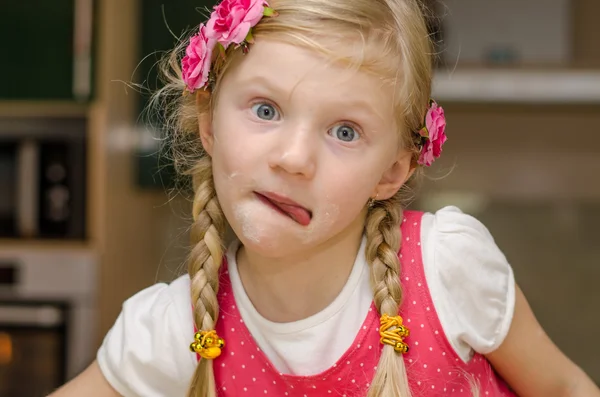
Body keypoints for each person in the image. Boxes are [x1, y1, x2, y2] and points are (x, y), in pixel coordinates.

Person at [51, 0, 600, 396]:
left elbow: (565, 386)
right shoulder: (173, 330)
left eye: (344, 131)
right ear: (208, 122)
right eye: (265, 109)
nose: (293, 158)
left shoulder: (446, 267)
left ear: (391, 171)